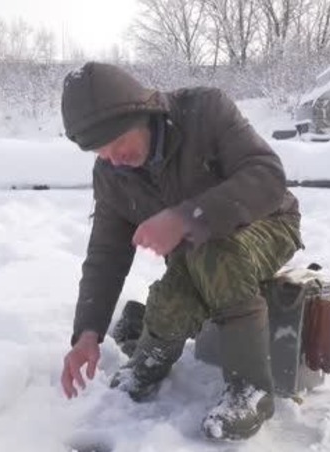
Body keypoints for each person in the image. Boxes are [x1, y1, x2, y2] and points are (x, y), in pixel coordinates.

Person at [58, 62, 304, 441]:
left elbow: (267, 177)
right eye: (98, 150)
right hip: (195, 252)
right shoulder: (110, 174)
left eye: (116, 141)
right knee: (172, 297)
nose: (112, 157)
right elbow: (105, 254)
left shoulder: (206, 110)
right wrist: (87, 334)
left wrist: (186, 217)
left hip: (269, 222)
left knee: (216, 253)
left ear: (140, 113)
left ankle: (250, 390)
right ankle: (148, 362)